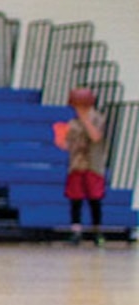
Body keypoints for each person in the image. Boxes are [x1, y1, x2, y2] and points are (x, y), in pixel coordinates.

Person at [62, 89, 110, 246]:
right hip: (77, 165)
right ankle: (76, 231)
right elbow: (67, 144)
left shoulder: (98, 119)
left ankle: (97, 232)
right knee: (75, 199)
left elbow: (96, 137)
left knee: (94, 199)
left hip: (93, 165)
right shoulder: (73, 123)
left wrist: (86, 121)